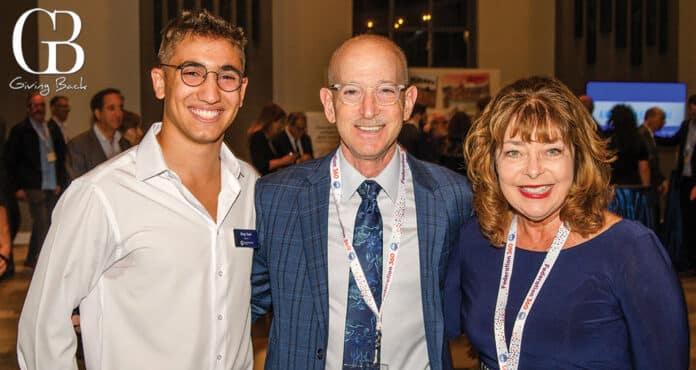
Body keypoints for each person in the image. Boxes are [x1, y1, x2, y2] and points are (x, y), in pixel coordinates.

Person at [18, 9, 257, 369]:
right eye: (192, 72)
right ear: (160, 81)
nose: (210, 93)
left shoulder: (251, 186)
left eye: (227, 76)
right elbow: (42, 331)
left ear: (241, 90)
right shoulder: (100, 195)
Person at [251, 34, 472, 370]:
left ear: (408, 101)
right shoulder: (275, 198)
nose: (369, 110)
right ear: (329, 103)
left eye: (385, 90)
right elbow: (236, 306)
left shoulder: (452, 197)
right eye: (352, 91)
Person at [445, 76, 688, 369]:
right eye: (514, 152)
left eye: (552, 151)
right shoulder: (477, 238)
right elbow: (432, 328)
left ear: (579, 156)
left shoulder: (630, 250)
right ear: (492, 161)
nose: (533, 170)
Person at [4, 93, 68, 268]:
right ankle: (44, 264)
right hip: (32, 184)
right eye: (34, 105)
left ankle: (32, 258)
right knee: (43, 223)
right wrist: (16, 187)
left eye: (41, 105)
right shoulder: (20, 130)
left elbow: (61, 158)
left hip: (51, 183)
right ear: (28, 108)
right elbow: (11, 161)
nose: (39, 109)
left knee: (46, 221)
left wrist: (60, 182)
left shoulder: (51, 129)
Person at [656, 95, 696, 268]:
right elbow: (672, 141)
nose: (693, 111)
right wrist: (649, 134)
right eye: (691, 108)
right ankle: (691, 261)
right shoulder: (686, 125)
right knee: (687, 221)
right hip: (684, 180)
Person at [67, 88, 130, 180]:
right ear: (98, 113)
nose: (118, 113)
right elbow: (77, 185)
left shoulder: (125, 143)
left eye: (120, 107)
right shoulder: (79, 146)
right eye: (111, 108)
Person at [605, 104, 650, 186]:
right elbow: (644, 169)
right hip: (633, 187)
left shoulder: (608, 140)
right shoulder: (638, 140)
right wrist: (646, 189)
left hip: (612, 187)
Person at [638, 107, 668, 226]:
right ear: (650, 118)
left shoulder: (649, 135)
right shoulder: (642, 135)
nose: (663, 122)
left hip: (653, 186)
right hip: (647, 188)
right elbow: (648, 164)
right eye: (661, 118)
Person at [248, 102, 295, 175]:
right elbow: (261, 165)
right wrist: (283, 161)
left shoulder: (273, 139)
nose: (282, 127)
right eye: (281, 122)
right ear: (271, 121)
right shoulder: (258, 137)